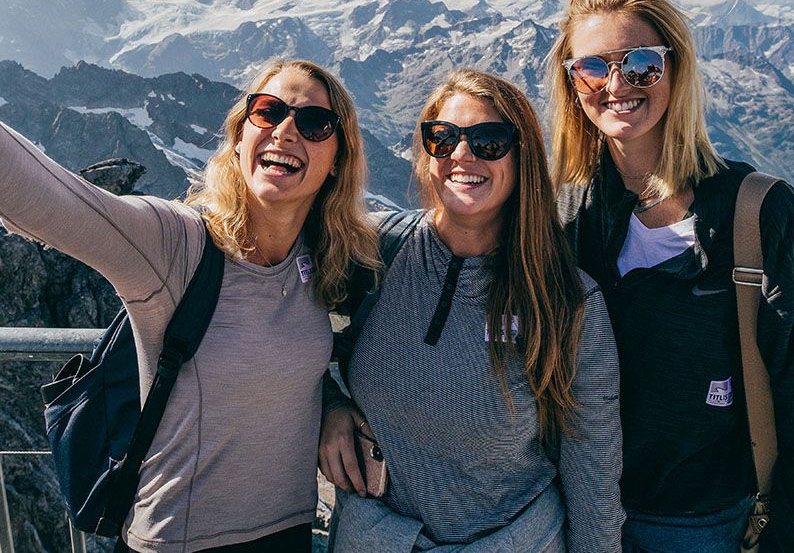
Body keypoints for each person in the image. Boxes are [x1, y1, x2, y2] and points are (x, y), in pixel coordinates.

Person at [0, 59, 378, 553]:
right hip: (180, 541)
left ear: (336, 160)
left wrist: (329, 404)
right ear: (240, 137)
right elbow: (43, 196)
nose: (285, 131)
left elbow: (276, 361)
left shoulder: (320, 258)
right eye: (267, 112)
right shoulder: (175, 244)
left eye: (313, 124)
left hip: (287, 535)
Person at [549, 0, 794, 552]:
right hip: (577, 518)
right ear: (571, 84)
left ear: (676, 70)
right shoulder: (565, 215)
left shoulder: (762, 213)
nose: (616, 84)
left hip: (704, 524)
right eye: (591, 67)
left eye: (640, 62)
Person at [318, 68, 624, 553]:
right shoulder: (376, 253)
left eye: (488, 141)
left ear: (522, 156)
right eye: (443, 139)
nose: (462, 154)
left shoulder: (566, 303)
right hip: (377, 540)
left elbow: (594, 477)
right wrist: (329, 406)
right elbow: (283, 335)